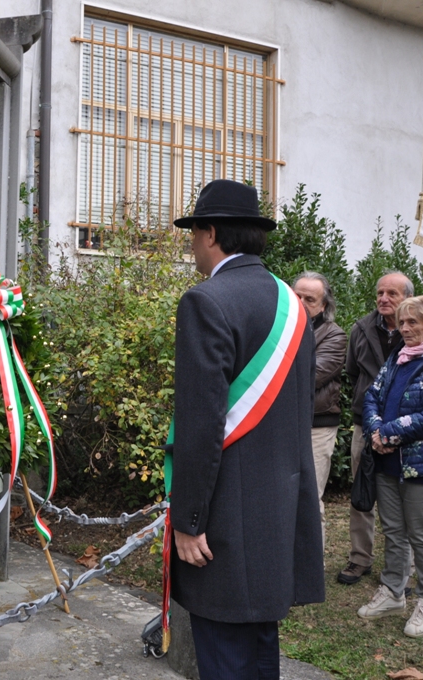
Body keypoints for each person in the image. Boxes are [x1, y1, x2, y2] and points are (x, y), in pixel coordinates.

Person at [169, 179, 324, 680]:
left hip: (223, 524)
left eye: (194, 231)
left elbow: (201, 424)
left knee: (226, 656)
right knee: (259, 654)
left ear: (211, 233)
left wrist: (189, 521)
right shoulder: (291, 303)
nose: (191, 243)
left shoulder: (206, 301)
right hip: (276, 513)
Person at [357, 296, 423, 637]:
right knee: (393, 530)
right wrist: (374, 429)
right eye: (402, 323)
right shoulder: (397, 358)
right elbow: (373, 394)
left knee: (422, 533)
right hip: (389, 460)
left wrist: (387, 432)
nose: (404, 328)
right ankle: (392, 592)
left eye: (412, 323)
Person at [339, 272, 412, 585]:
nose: (384, 298)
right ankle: (360, 559)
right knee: (362, 494)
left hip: (408, 430)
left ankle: (401, 569)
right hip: (364, 426)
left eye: (391, 293)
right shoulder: (361, 328)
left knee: (404, 500)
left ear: (407, 297)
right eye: (380, 292)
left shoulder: (420, 328)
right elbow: (353, 371)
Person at [292, 272, 346, 547]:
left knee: (310, 497)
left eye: (309, 299)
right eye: (297, 295)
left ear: (323, 306)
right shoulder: (278, 327)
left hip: (317, 425)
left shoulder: (334, 335)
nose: (301, 302)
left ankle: (312, 567)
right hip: (282, 423)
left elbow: (310, 377)